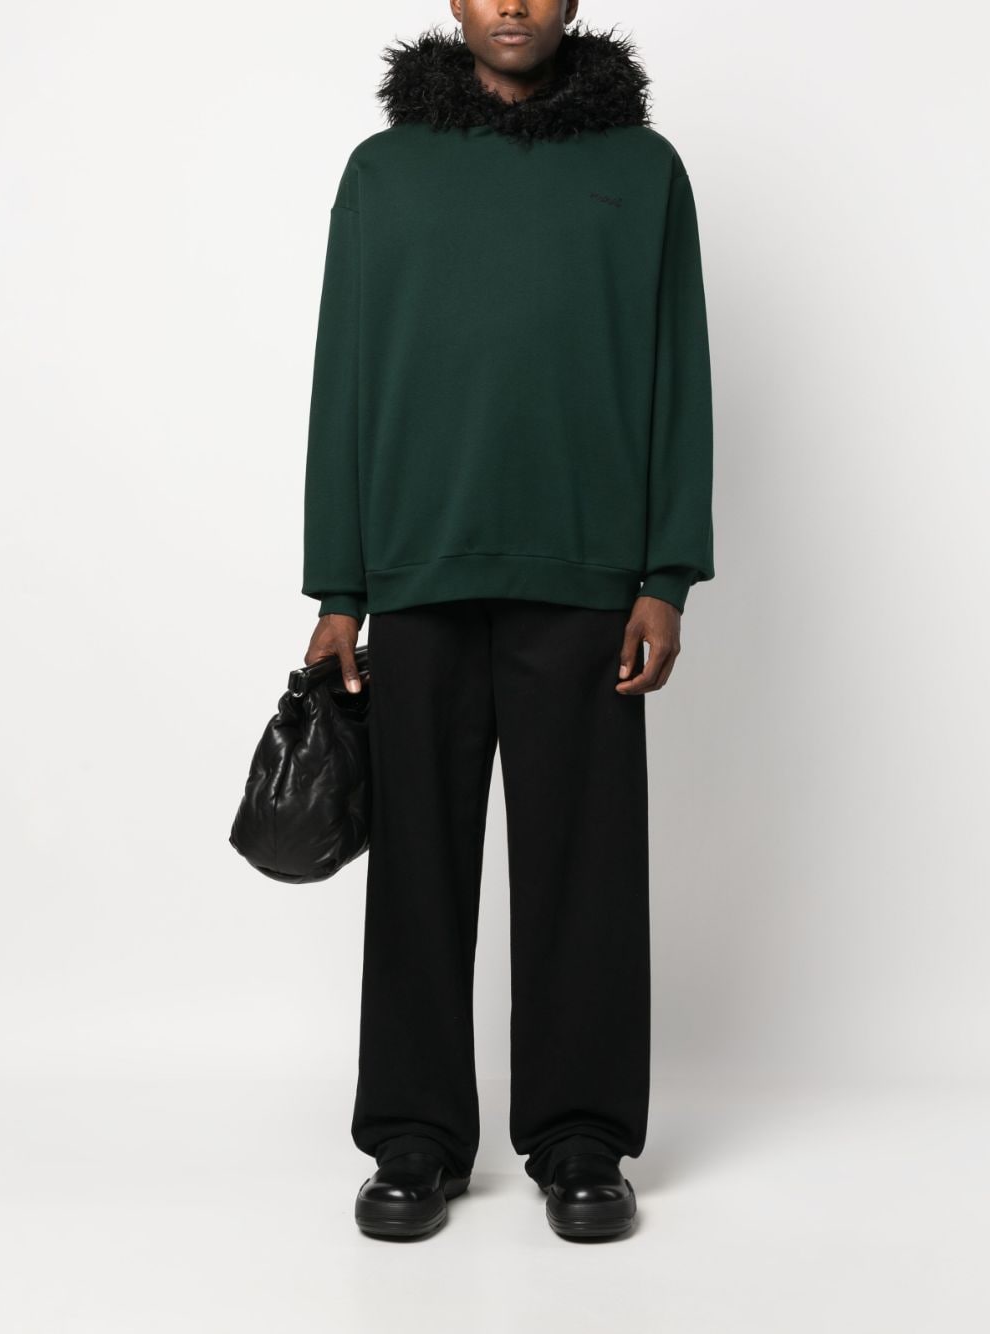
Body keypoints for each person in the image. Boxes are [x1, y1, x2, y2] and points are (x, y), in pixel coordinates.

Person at [301, 0, 714, 1242]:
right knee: (416, 869)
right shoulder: (384, 171)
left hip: (587, 571)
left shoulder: (642, 169)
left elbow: (677, 367)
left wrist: (666, 572)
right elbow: (343, 372)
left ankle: (582, 1135)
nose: (514, 3)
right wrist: (337, 587)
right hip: (416, 565)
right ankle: (414, 1136)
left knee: (587, 871)